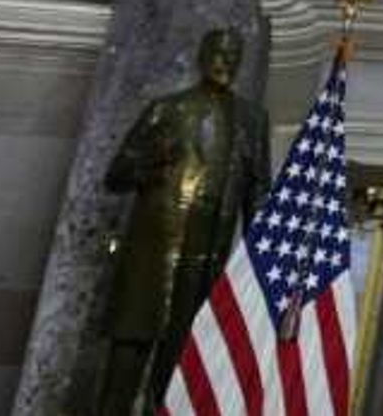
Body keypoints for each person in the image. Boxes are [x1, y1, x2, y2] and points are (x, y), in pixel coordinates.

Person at [80, 27, 270, 416]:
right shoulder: (166, 110)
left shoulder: (252, 120)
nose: (225, 63)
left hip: (206, 258)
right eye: (219, 54)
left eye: (233, 57)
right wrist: (152, 163)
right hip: (152, 252)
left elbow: (258, 192)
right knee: (129, 352)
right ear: (203, 56)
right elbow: (117, 175)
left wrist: (259, 263)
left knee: (183, 360)